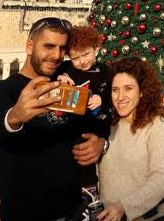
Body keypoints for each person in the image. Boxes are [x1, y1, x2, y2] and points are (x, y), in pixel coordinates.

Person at [0, 17, 107, 221]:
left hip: (75, 212)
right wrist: (15, 116)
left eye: (62, 48)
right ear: (30, 47)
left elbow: (91, 125)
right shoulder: (4, 90)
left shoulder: (66, 85)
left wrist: (101, 142)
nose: (56, 55)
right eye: (48, 46)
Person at [97, 57, 164, 221]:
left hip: (141, 216)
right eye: (115, 90)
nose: (120, 97)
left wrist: (125, 206)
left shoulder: (155, 126)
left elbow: (161, 178)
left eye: (128, 88)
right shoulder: (107, 124)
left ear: (142, 91)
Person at [55, 25, 114, 207]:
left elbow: (112, 98)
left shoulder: (105, 72)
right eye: (76, 58)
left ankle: (91, 198)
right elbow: (48, 80)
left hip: (94, 128)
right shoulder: (64, 69)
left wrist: (100, 99)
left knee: (87, 165)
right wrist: (60, 79)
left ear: (96, 48)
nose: (82, 61)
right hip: (68, 128)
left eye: (86, 54)